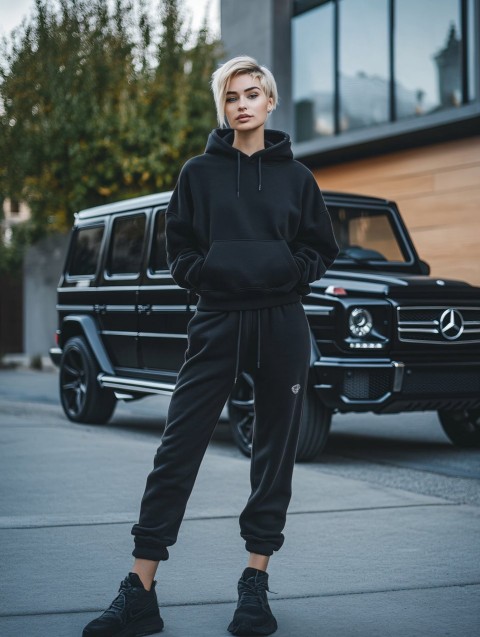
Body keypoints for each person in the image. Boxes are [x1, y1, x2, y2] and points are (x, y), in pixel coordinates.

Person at [83, 55, 339, 637]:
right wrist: (203, 274)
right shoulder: (198, 172)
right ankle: (139, 590)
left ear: (270, 102)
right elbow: (178, 246)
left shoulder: (297, 178)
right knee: (178, 448)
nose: (242, 104)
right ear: (222, 107)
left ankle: (255, 584)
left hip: (281, 320)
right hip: (218, 317)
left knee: (274, 452)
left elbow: (321, 245)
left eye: (252, 94)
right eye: (231, 97)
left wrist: (292, 272)